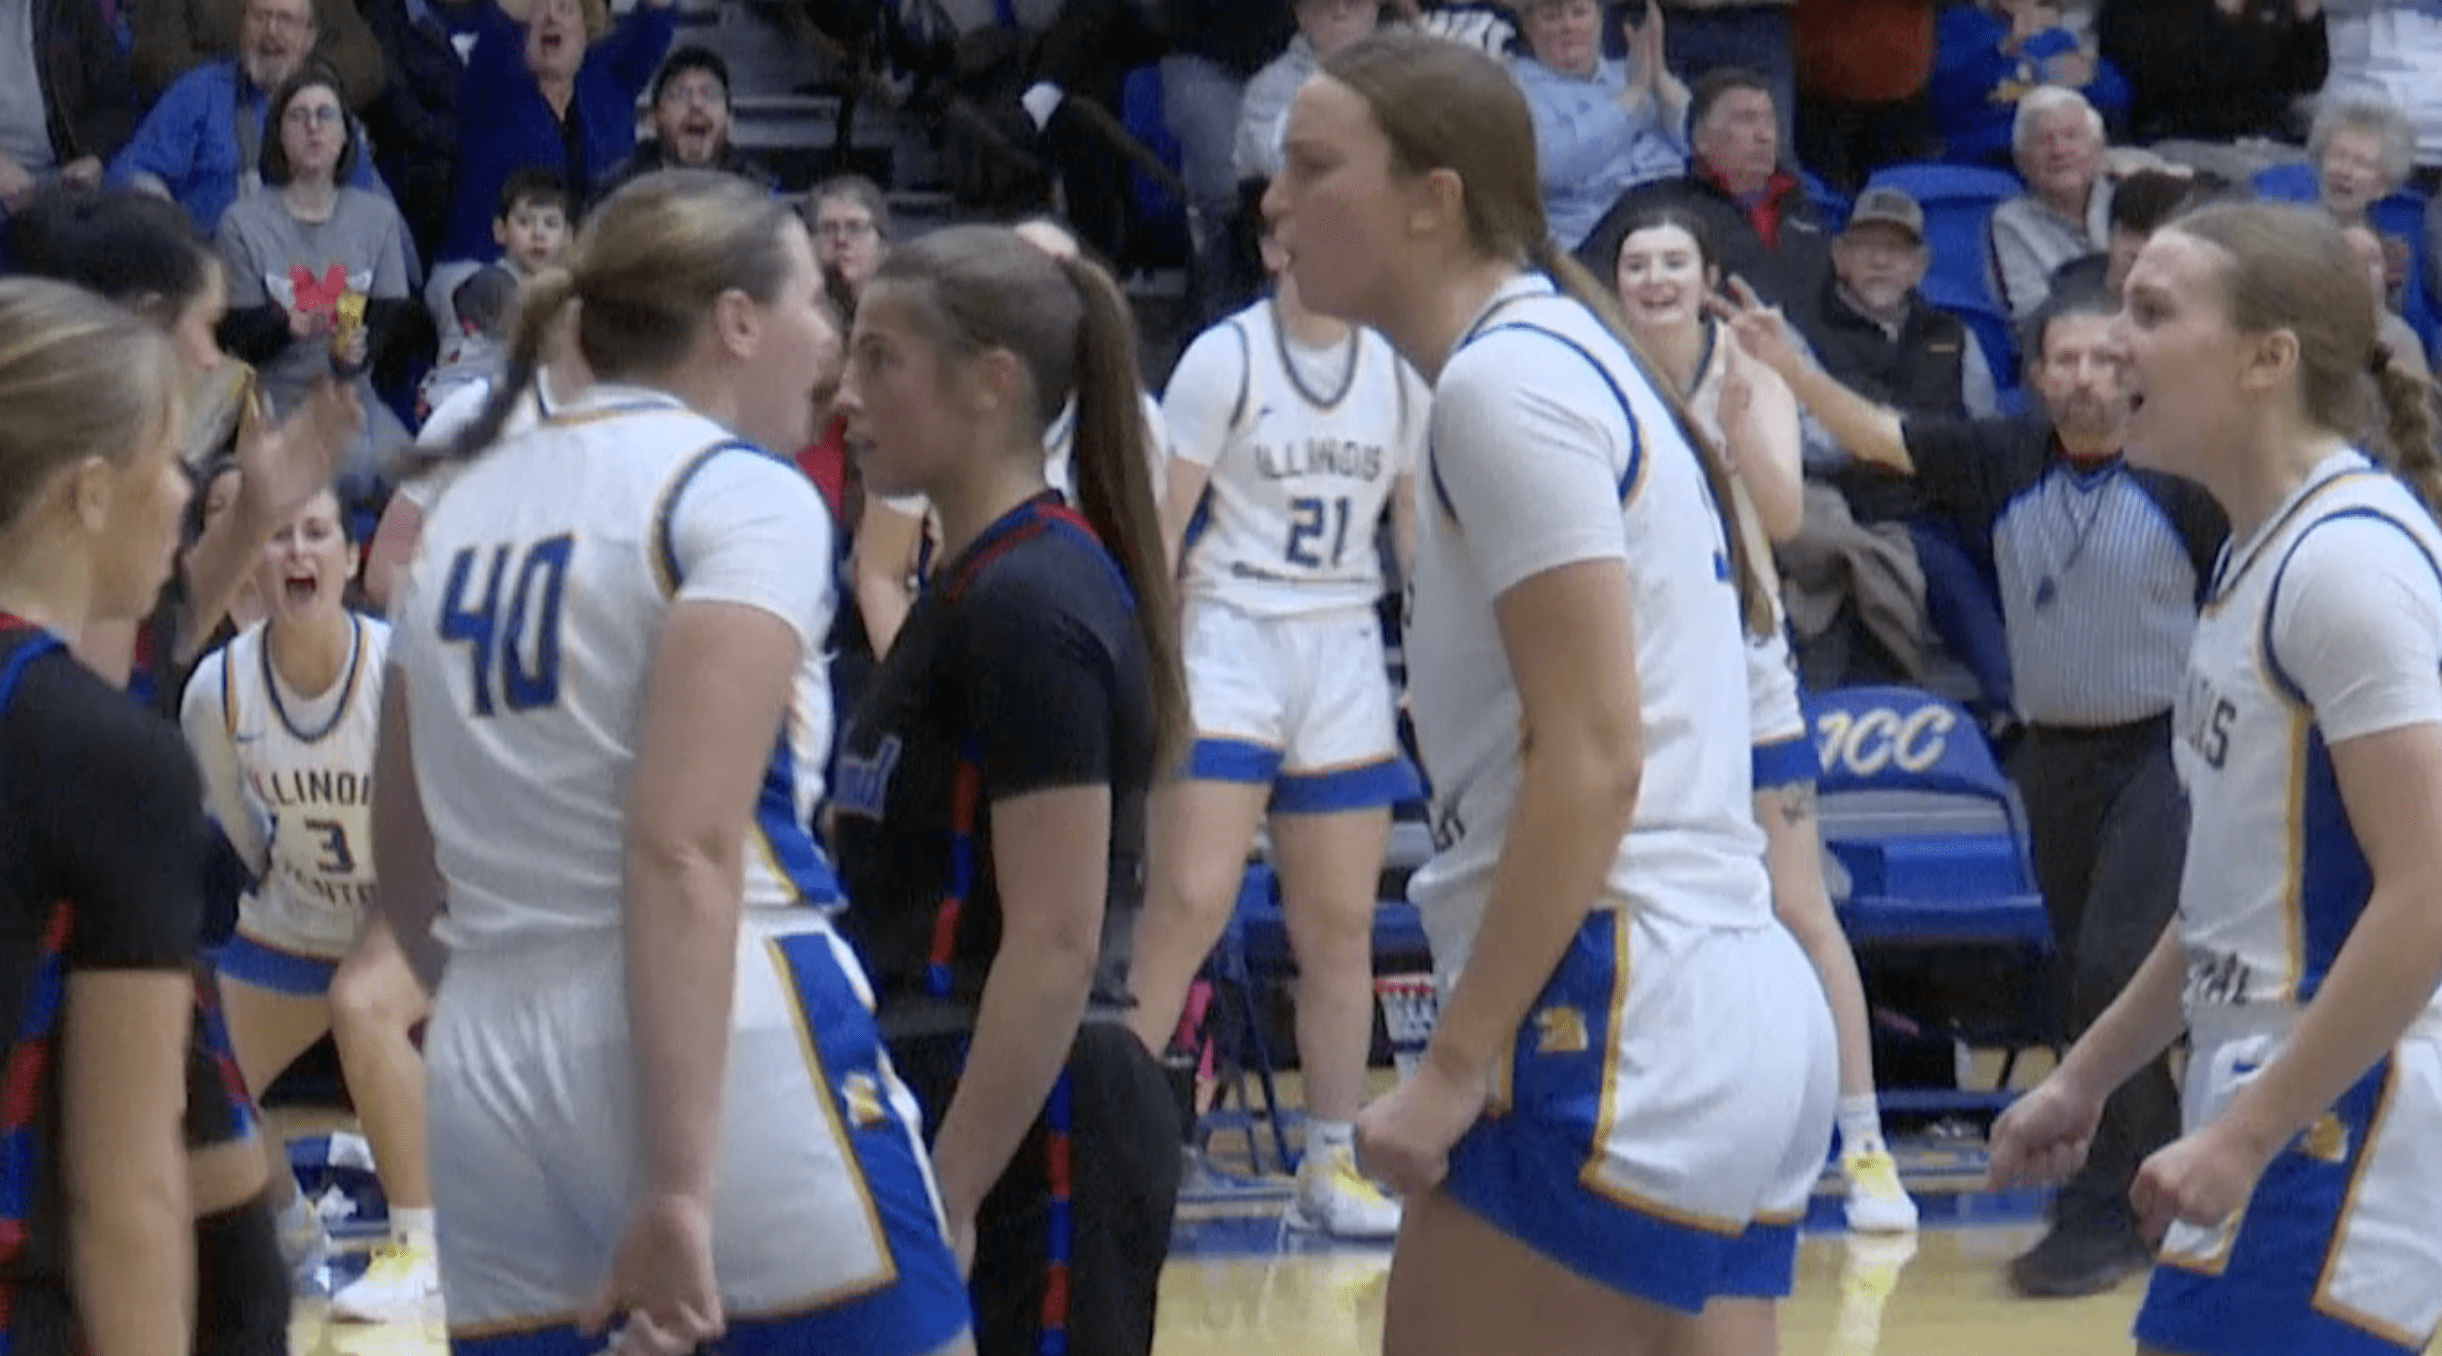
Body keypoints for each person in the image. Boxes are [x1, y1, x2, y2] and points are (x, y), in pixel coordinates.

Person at [1265, 30, 1835, 1351]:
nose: (1275, 200)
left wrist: (1454, 1063)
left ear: (1435, 197)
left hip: (1613, 994)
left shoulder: (1504, 383)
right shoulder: (1570, 356)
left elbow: (1595, 757)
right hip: (1721, 988)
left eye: (1313, 165)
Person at [377, 170, 972, 1356]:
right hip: (717, 1038)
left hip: (489, 1050)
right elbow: (685, 845)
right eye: (812, 300)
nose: (831, 339)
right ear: (737, 321)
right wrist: (679, 1185)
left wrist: (506, 998)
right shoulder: (739, 492)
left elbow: (400, 849)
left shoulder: (460, 512)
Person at [1992, 201, 2442, 1356]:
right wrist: (2089, 1078)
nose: (2113, 341)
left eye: (2151, 312)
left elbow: (2429, 893)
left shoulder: (2347, 563)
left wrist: (2248, 1136)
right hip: (2275, 1087)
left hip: (2345, 1100)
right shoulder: (2257, 551)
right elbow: (2228, 900)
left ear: (2266, 359)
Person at [1721, 276, 2220, 1298]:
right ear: (2034, 373)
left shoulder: (2184, 474)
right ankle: (2135, 1185)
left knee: (2116, 967)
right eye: (2066, 359)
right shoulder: (2005, 458)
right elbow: (1879, 436)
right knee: (2074, 977)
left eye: (2107, 358)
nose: (2087, 377)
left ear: (2137, 369)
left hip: (2167, 755)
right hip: (2054, 756)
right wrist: (1790, 368)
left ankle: (2114, 1202)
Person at [828, 223, 1187, 1356]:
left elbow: (1056, 942)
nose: (846, 394)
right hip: (953, 1094)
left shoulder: (1034, 599)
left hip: (1039, 1125)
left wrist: (953, 1186)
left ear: (991, 384)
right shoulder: (967, 584)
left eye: (881, 358)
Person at [1610, 203, 1920, 1234]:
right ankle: (1671, 1136)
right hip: (1642, 669)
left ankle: (1864, 1144)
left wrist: (1740, 419)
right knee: (1648, 906)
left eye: (1674, 261)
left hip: (1745, 661)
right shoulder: (1597, 375)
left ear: (1706, 277)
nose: (1656, 278)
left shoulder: (1750, 371)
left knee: (1799, 905)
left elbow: (1785, 519)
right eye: (1637, 263)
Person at [1121, 190, 1422, 1243]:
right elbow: (1162, 529)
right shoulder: (1224, 359)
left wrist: (1432, 655)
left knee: (1340, 928)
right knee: (1187, 904)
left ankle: (1331, 1160)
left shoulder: (1396, 369)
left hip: (1343, 640)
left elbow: (1414, 535)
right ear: (1273, 246)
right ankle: (1114, 1147)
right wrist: (1151, 659)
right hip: (1229, 633)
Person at [179, 485, 439, 1326]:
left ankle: (421, 1248)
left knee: (362, 1004)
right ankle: (289, 1228)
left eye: (318, 533)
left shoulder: (401, 670)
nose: (298, 551)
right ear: (253, 569)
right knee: (197, 1061)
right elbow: (240, 836)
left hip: (415, 902)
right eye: (280, 536)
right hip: (297, 915)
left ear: (352, 557)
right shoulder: (217, 691)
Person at [0, 278, 200, 1356]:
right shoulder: (108, 756)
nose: (184, 490)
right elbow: (125, 1198)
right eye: (166, 458)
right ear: (89, 492)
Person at [214, 63, 415, 494]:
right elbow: (238, 338)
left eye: (326, 115)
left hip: (355, 397)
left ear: (345, 135)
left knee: (423, 485)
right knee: (351, 473)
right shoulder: (242, 223)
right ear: (278, 135)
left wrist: (357, 353)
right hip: (281, 400)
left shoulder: (378, 218)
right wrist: (289, 326)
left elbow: (390, 318)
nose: (313, 127)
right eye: (297, 116)